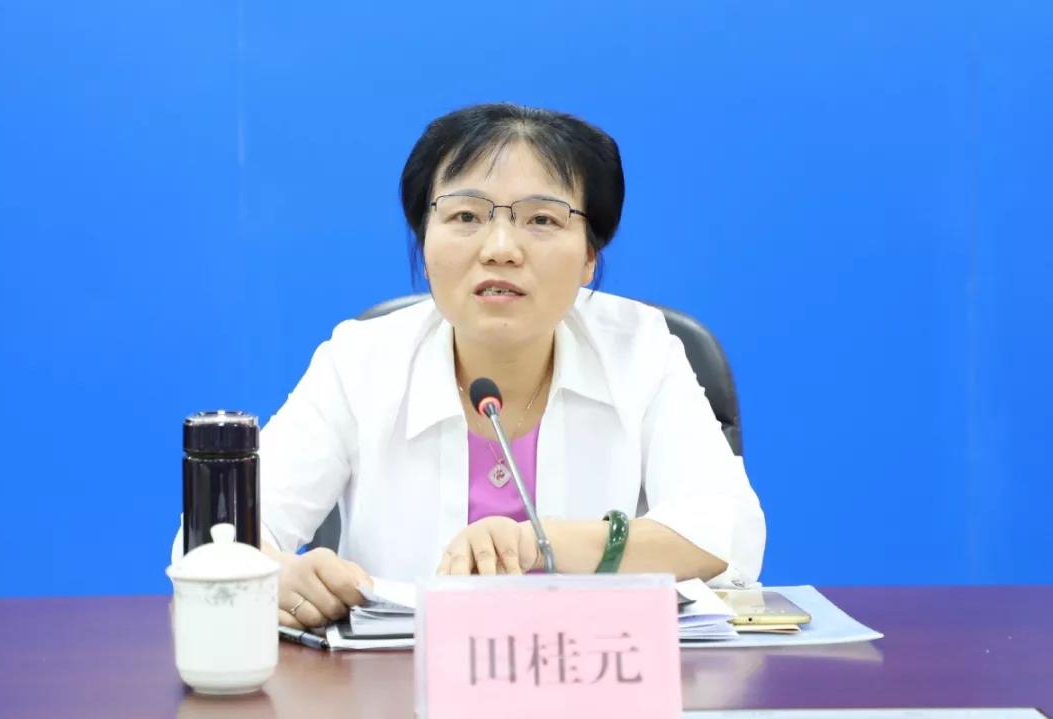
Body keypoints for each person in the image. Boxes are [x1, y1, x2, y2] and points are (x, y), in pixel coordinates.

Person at [172, 103, 766, 631]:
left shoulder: (642, 350)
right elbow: (213, 542)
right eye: (465, 217)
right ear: (424, 243)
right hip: (397, 692)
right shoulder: (360, 361)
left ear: (590, 255)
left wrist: (542, 542)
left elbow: (727, 534)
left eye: (542, 219)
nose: (500, 248)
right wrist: (277, 577)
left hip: (596, 683)